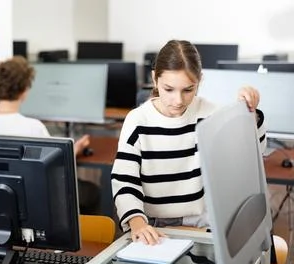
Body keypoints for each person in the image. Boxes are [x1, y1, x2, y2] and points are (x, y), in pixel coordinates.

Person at [111, 40, 267, 245]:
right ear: (154, 79)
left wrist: (250, 115)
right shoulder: (137, 120)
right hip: (152, 225)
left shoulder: (209, 114)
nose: (178, 100)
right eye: (169, 89)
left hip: (200, 223)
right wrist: (137, 222)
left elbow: (253, 153)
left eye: (188, 90)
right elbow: (124, 180)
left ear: (199, 81)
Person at [0, 56, 101, 215]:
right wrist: (75, 148)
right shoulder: (33, 127)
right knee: (91, 190)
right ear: (24, 90)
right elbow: (56, 164)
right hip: (31, 200)